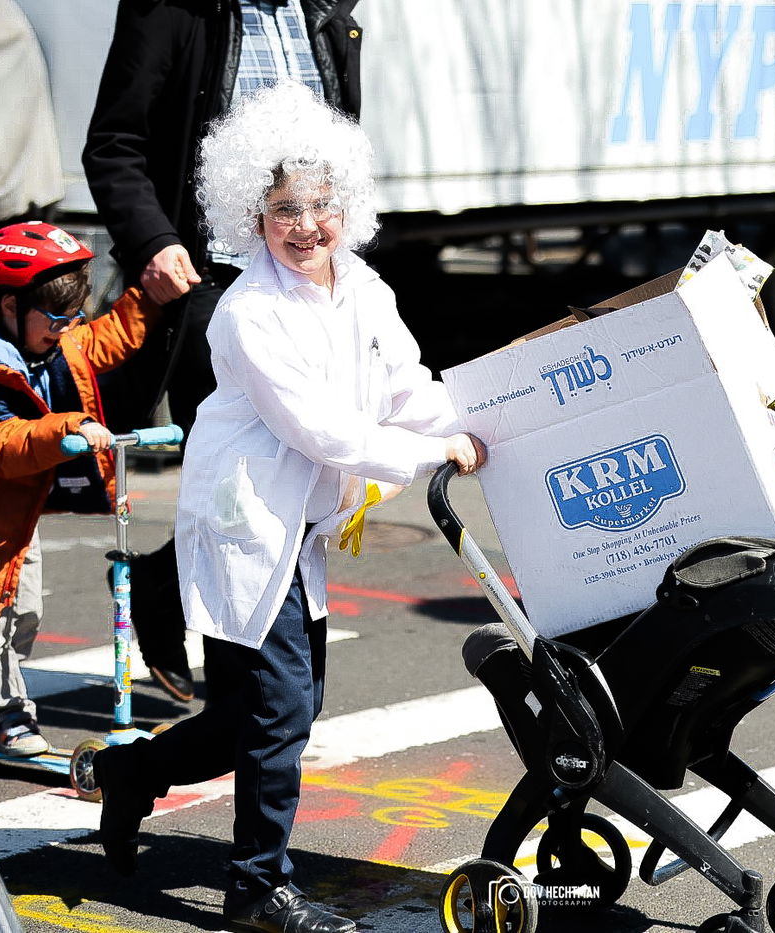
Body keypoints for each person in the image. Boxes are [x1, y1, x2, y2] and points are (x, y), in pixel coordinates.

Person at [90, 82, 485, 933]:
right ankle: (256, 887)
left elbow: (403, 385)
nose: (304, 225)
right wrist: (430, 454)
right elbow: (324, 430)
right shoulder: (246, 313)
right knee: (280, 711)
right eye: (281, 209)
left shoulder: (364, 286)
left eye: (317, 204)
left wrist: (474, 426)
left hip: (297, 525)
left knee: (258, 710)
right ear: (249, 215)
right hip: (245, 525)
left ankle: (133, 773)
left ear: (346, 202)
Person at [82, 0, 363, 701]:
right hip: (214, 283)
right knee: (248, 486)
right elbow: (114, 142)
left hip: (305, 280)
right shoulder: (175, 8)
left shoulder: (327, 10)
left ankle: (168, 588)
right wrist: (153, 241)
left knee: (295, 483)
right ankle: (252, 691)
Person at [0, 222, 159, 756]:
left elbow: (107, 338)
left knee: (28, 615)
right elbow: (2, 443)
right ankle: (3, 713)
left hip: (19, 513)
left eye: (73, 317)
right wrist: (69, 428)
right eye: (57, 318)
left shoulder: (55, 342)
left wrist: (151, 296)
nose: (69, 329)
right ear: (7, 306)